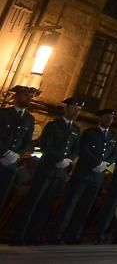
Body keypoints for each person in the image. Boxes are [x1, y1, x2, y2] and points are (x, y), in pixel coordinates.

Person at [10, 97, 82, 245]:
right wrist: (58, 159)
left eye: (79, 109)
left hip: (60, 173)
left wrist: (69, 160)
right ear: (66, 109)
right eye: (74, 108)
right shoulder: (53, 125)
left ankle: (34, 235)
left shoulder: (75, 129)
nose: (76, 111)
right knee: (33, 202)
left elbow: (76, 149)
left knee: (46, 205)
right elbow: (45, 146)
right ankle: (19, 235)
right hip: (47, 169)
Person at [52, 107, 117, 243]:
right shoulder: (90, 133)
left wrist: (106, 163)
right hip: (83, 174)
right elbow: (83, 149)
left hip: (97, 177)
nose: (109, 120)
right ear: (100, 118)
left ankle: (74, 235)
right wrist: (96, 163)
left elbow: (114, 153)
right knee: (69, 205)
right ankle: (57, 234)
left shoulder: (113, 136)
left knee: (85, 207)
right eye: (106, 117)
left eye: (111, 118)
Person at [0, 86, 37, 214]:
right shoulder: (3, 113)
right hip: (1, 156)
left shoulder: (29, 119)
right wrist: (5, 152)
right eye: (26, 95)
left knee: (2, 195)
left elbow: (27, 141)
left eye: (31, 96)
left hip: (12, 163)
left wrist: (17, 154)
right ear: (16, 96)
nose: (29, 98)